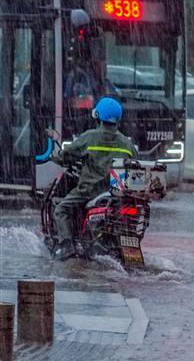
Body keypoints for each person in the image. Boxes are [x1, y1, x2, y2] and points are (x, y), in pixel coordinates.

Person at [48, 97, 137, 260]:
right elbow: (135, 164)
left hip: (89, 191)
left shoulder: (89, 137)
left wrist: (55, 155)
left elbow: (65, 156)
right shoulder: (127, 143)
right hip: (115, 196)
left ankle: (66, 245)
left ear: (97, 115)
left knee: (61, 209)